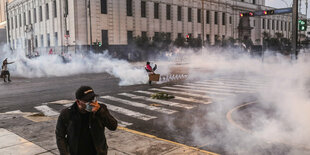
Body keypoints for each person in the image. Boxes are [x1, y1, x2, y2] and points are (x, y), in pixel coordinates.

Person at [56, 86, 118, 155]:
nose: (91, 102)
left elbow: (113, 126)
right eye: (87, 101)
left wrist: (100, 112)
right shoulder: (67, 114)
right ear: (78, 102)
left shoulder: (101, 109)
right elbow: (60, 136)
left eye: (93, 99)